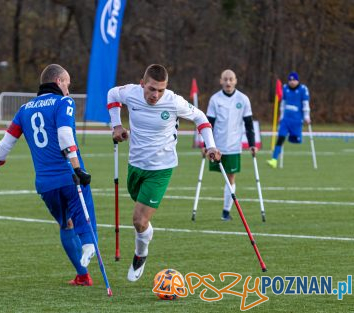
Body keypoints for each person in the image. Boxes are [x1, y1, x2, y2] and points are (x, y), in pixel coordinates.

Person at [0, 64, 97, 286]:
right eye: (67, 83)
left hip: (45, 184)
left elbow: (5, 145)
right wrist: (78, 168)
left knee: (66, 223)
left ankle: (82, 275)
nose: (68, 89)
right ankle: (89, 245)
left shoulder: (24, 109)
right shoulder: (64, 102)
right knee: (84, 215)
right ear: (59, 81)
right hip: (69, 176)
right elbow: (65, 135)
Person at [106, 64, 221, 282]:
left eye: (160, 90)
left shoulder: (174, 101)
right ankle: (146, 233)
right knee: (141, 218)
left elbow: (201, 118)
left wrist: (211, 146)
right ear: (142, 84)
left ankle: (141, 254)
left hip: (161, 168)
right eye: (151, 89)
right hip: (135, 164)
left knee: (138, 220)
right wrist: (116, 125)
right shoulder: (131, 92)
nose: (155, 95)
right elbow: (112, 94)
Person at [205, 69, 256, 221]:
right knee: (222, 177)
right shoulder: (215, 99)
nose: (228, 82)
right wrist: (206, 144)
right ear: (221, 81)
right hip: (217, 146)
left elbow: (248, 124)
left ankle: (226, 211)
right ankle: (225, 210)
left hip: (234, 146)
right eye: (225, 79)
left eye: (231, 79)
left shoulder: (243, 99)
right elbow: (209, 124)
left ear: (235, 81)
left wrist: (252, 144)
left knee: (230, 177)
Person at [267, 71, 311, 168]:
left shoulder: (303, 89)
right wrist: (281, 116)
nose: (292, 82)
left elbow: (305, 104)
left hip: (296, 120)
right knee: (281, 138)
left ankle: (296, 138)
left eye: (294, 80)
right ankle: (274, 160)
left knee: (295, 140)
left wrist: (307, 116)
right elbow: (283, 103)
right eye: (290, 80)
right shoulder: (285, 88)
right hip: (286, 119)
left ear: (297, 80)